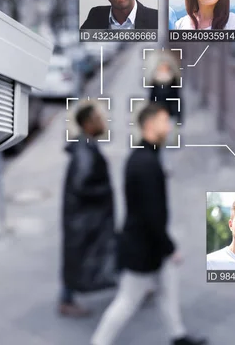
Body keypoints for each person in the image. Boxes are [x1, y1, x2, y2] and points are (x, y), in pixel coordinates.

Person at [91, 103, 207, 345]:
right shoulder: (145, 163)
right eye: (164, 121)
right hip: (142, 247)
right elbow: (150, 214)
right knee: (127, 301)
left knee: (167, 291)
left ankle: (178, 336)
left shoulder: (146, 157)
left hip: (148, 244)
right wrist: (169, 247)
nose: (169, 126)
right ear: (150, 124)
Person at [60, 102, 117, 317]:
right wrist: (106, 191)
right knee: (78, 259)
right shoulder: (85, 151)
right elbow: (81, 184)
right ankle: (66, 300)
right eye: (98, 118)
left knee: (104, 251)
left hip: (88, 218)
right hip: (86, 220)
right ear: (87, 124)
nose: (102, 121)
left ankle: (135, 285)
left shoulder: (86, 146)